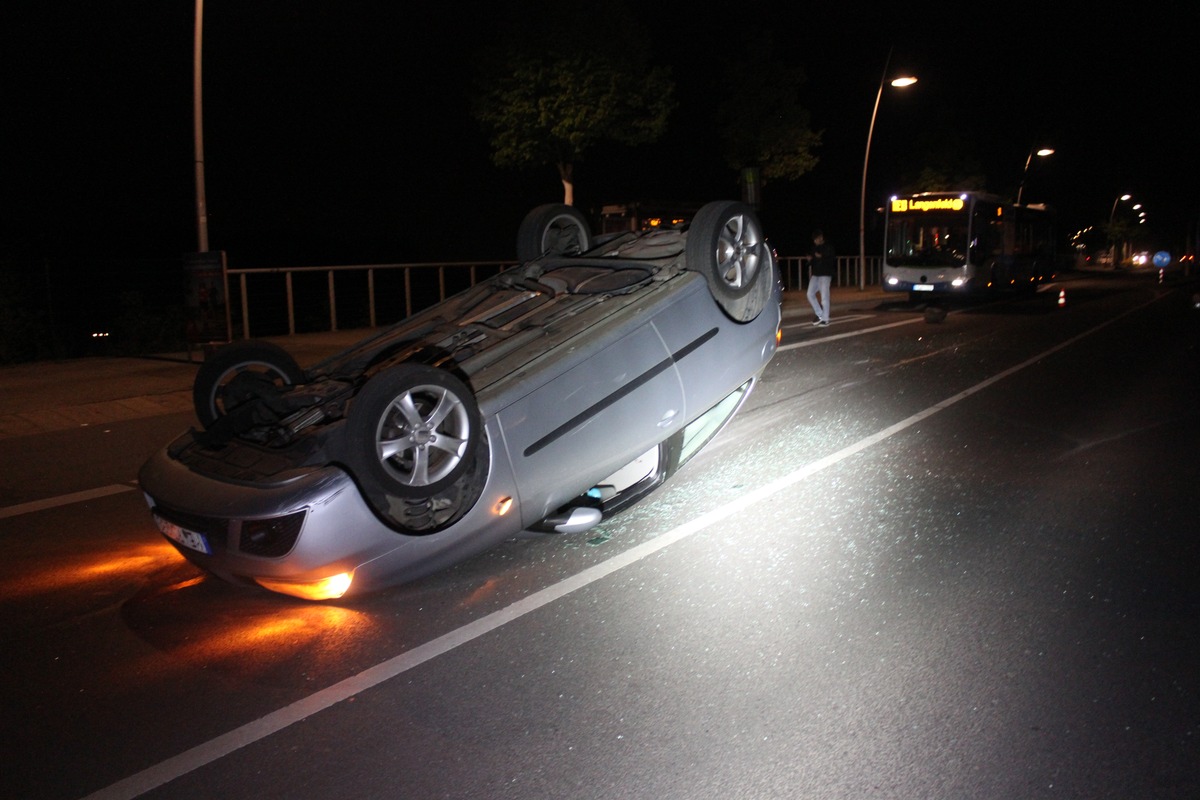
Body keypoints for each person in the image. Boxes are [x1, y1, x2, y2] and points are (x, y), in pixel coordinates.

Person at [807, 229, 836, 326]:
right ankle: (819, 314)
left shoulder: (828, 247)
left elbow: (831, 259)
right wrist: (810, 260)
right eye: (814, 240)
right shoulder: (814, 248)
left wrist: (821, 257)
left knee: (824, 297)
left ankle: (825, 319)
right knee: (810, 294)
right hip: (816, 274)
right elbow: (813, 260)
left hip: (825, 275)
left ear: (821, 238)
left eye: (816, 239)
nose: (815, 242)